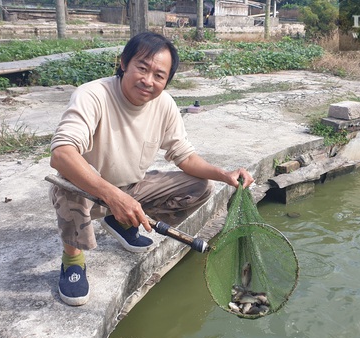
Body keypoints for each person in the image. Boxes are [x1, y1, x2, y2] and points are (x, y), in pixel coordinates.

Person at [49, 32, 254, 306]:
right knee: (67, 182)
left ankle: (120, 221)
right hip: (89, 192)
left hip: (133, 188)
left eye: (159, 75)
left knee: (202, 186)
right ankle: (72, 260)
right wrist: (112, 196)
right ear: (123, 63)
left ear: (167, 80)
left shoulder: (165, 104)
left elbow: (184, 156)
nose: (148, 81)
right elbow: (61, 154)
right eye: (142, 68)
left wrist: (223, 174)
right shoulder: (92, 95)